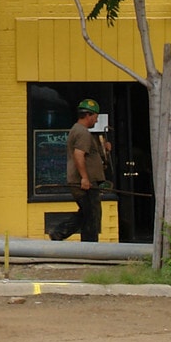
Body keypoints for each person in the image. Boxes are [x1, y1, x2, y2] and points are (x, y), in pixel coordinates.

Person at [52, 98, 108, 241]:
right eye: (95, 117)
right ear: (88, 115)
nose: (96, 120)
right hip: (84, 183)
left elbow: (89, 156)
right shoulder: (82, 132)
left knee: (86, 213)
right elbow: (79, 155)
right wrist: (84, 178)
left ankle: (59, 233)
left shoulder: (79, 131)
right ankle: (89, 247)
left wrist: (105, 150)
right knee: (92, 216)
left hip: (85, 181)